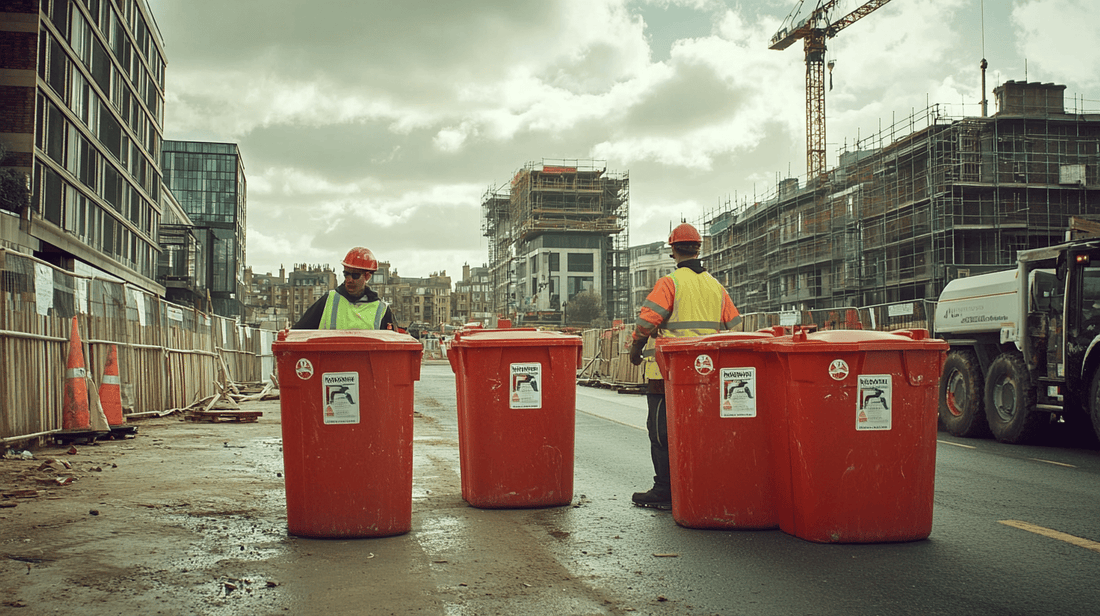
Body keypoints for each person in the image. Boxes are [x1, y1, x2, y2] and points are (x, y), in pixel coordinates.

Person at [628, 223, 741, 509]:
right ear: (698, 249)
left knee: (660, 430)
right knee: (702, 429)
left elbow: (646, 322)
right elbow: (736, 326)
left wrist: (636, 348)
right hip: (708, 371)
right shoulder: (716, 286)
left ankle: (664, 488)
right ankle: (703, 484)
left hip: (668, 372)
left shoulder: (670, 283)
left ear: (673, 250)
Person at [293, 247, 397, 330]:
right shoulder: (328, 301)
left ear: (367, 276)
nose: (349, 279)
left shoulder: (381, 310)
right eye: (346, 274)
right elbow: (298, 333)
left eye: (355, 275)